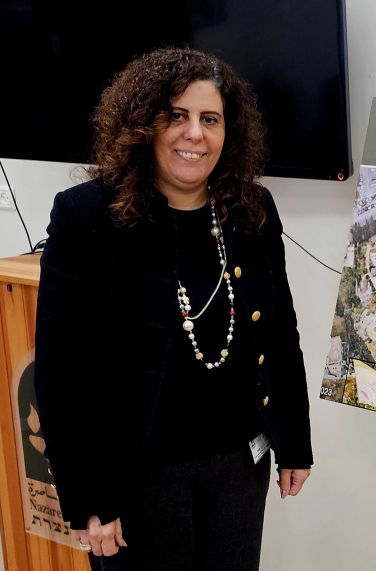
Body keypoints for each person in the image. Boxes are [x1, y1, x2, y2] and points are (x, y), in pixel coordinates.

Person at [34, 47, 312, 570]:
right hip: (138, 476)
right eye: (176, 116)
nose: (195, 134)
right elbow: (62, 373)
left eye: (210, 119)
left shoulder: (252, 209)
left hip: (238, 467)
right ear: (143, 125)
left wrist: (294, 441)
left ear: (229, 132)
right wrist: (91, 498)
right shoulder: (87, 217)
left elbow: (279, 333)